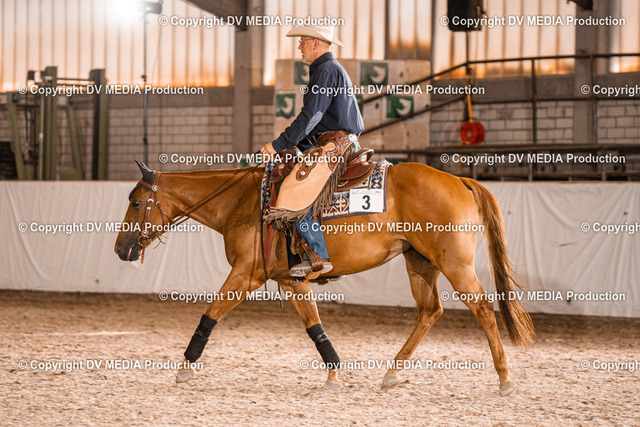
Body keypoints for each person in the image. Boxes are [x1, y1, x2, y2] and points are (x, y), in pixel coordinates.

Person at [260, 24, 364, 277]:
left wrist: (278, 144)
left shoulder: (326, 70)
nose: (299, 46)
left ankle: (318, 255)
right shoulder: (328, 69)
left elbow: (312, 115)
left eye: (302, 42)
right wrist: (297, 145)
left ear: (315, 43)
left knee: (293, 190)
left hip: (335, 144)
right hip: (336, 141)